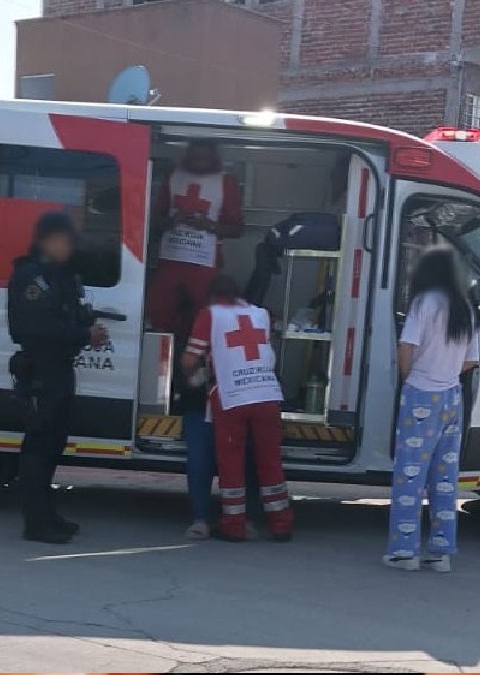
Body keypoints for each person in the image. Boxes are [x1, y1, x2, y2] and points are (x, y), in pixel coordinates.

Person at [8, 212, 109, 544]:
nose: (72, 247)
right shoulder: (31, 278)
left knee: (53, 445)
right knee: (38, 447)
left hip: (59, 370)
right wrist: (84, 334)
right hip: (40, 371)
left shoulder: (58, 276)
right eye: (67, 240)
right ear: (49, 240)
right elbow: (36, 329)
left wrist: (85, 322)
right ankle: (35, 523)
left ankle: (48, 514)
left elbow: (65, 315)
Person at [384, 246, 480, 573]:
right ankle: (441, 552)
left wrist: (409, 378)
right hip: (453, 396)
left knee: (410, 476)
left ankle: (403, 552)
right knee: (444, 478)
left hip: (421, 395)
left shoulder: (423, 303)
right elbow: (471, 359)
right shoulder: (463, 307)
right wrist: (447, 371)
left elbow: (406, 347)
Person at [182, 274, 293, 542]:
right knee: (269, 461)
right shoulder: (260, 314)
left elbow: (189, 360)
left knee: (231, 462)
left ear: (211, 295)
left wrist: (193, 376)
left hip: (232, 397)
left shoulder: (211, 314)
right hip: (267, 395)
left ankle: (233, 526)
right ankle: (281, 524)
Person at [146, 140, 245, 343]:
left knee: (207, 319)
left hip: (205, 265)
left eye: (204, 158)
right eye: (194, 157)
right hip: (171, 261)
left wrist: (209, 225)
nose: (199, 162)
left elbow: (237, 229)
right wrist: (173, 221)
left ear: (213, 158)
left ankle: (198, 366)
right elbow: (153, 221)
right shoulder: (172, 178)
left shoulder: (226, 182)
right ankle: (159, 366)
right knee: (155, 314)